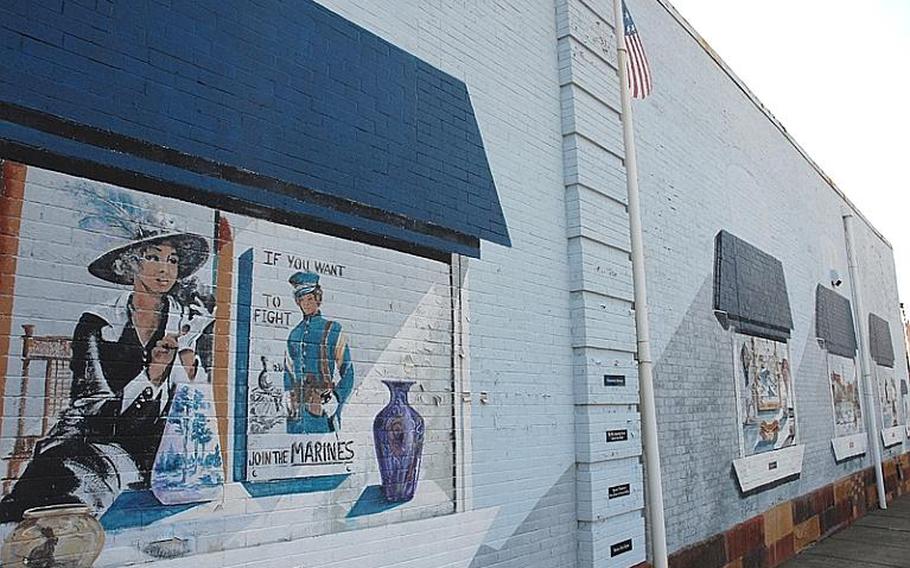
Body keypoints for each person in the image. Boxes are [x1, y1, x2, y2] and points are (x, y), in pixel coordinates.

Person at [0, 230, 212, 523]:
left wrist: (188, 364)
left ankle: (66, 533)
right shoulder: (98, 322)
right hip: (93, 429)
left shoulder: (190, 324)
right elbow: (90, 404)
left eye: (172, 260)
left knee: (92, 468)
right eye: (153, 257)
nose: (165, 269)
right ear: (129, 264)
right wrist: (151, 374)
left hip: (155, 442)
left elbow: (198, 406)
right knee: (61, 461)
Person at [284, 272, 354, 434]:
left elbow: (348, 372)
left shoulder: (333, 330)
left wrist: (334, 400)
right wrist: (288, 397)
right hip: (297, 414)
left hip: (322, 411)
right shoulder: (294, 335)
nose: (306, 304)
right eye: (301, 300)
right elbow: (288, 371)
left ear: (318, 299)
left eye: (309, 299)